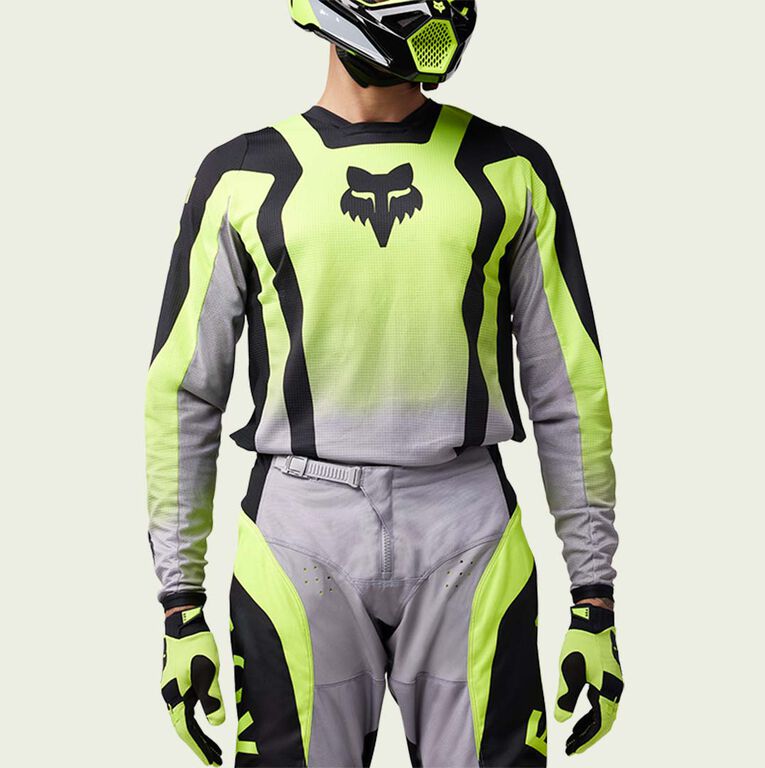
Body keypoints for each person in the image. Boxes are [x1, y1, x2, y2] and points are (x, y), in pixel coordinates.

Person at [146, 2, 624, 766]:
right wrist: (180, 605)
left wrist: (593, 599)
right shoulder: (241, 175)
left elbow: (567, 388)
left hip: (465, 527)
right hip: (300, 531)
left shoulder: (511, 169)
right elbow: (184, 392)